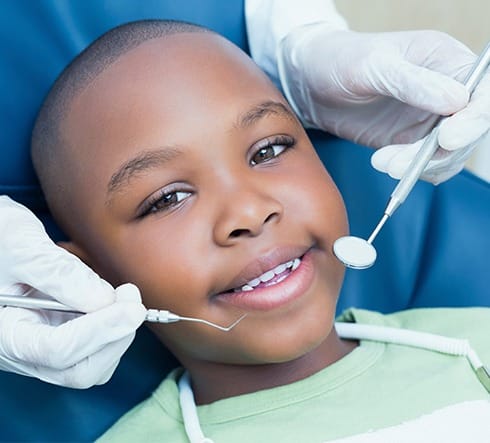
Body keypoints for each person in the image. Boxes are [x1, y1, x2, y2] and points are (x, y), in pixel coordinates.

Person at [29, 19, 490, 442]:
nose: (249, 212)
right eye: (168, 198)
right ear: (83, 274)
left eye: (268, 150)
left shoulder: (476, 341)